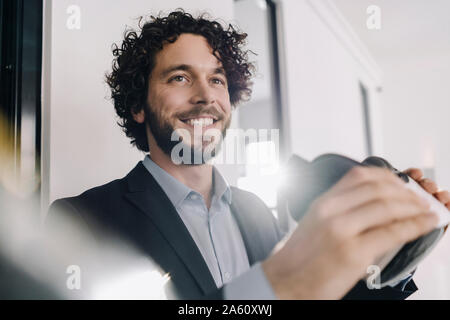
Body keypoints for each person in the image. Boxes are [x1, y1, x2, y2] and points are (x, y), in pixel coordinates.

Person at [46, 10, 450, 300]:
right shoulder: (81, 221)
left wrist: (396, 256)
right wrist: (276, 285)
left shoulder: (257, 211)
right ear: (138, 105)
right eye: (180, 77)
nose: (205, 95)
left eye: (216, 79)